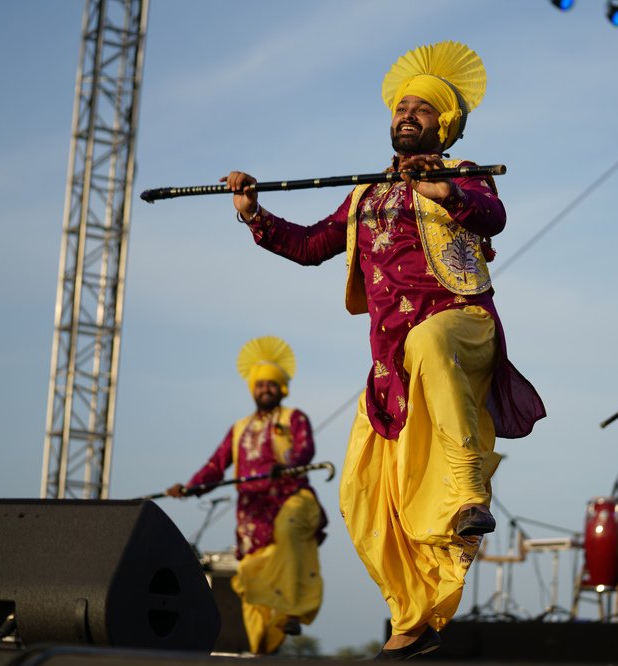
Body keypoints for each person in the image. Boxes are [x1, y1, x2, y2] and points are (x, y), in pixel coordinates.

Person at [222, 41, 545, 660]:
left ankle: (468, 492)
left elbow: (493, 215)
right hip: (391, 365)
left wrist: (445, 192)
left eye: (422, 109)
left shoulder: (462, 173)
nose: (407, 114)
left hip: (461, 326)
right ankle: (410, 619)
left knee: (429, 340)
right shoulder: (366, 193)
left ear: (444, 125)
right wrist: (254, 214)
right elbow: (312, 244)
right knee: (362, 495)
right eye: (401, 107)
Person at [166, 336, 327, 655]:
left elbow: (305, 449)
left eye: (271, 384)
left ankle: (291, 611)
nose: (265, 389)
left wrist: (287, 466)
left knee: (289, 532)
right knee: (252, 580)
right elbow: (216, 465)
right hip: (253, 515)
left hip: (291, 499)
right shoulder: (239, 429)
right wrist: (190, 487)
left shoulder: (293, 418)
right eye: (260, 385)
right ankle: (263, 650)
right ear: (253, 389)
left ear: (281, 388)